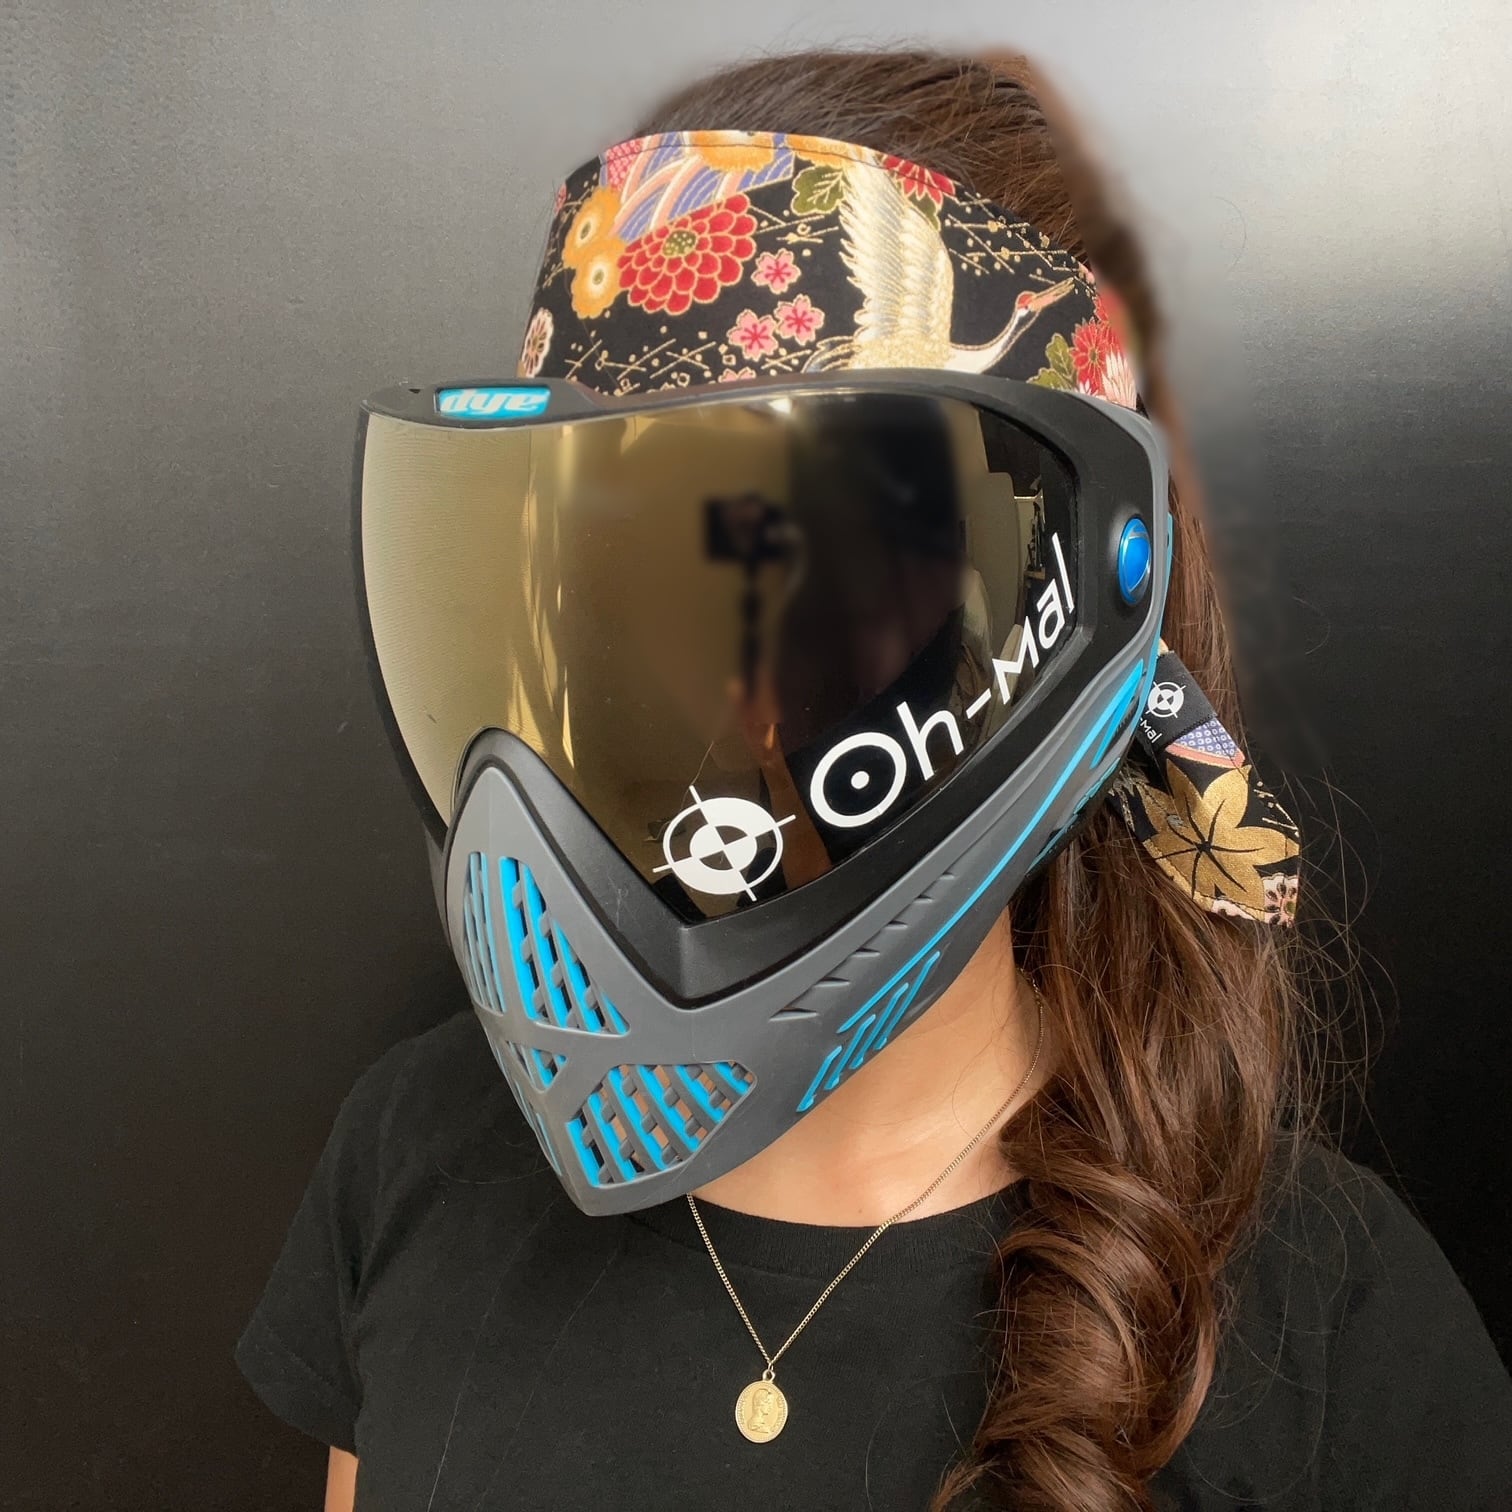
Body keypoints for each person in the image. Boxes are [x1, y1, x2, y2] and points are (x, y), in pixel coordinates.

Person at [235, 47, 1512, 1511]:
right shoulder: (416, 1155)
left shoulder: (1333, 1338)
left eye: (822, 544)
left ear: (1062, 598)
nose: (732, 644)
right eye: (639, 538)